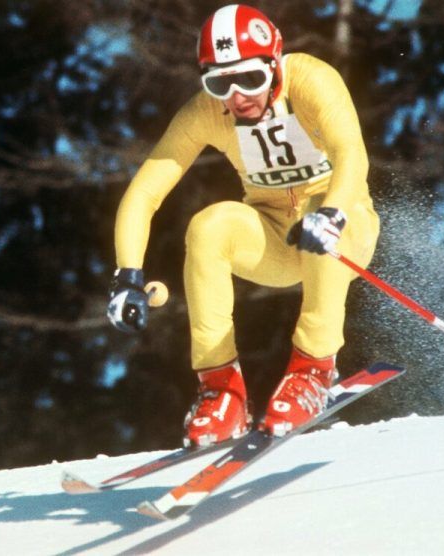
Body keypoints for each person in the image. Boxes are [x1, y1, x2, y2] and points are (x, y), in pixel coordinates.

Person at [107, 4, 379, 446]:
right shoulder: (205, 113)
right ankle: (222, 392)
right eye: (219, 84)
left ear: (274, 63)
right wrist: (127, 275)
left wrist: (332, 213)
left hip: (342, 228)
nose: (237, 96)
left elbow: (352, 153)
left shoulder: (310, 79)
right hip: (272, 238)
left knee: (316, 208)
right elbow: (144, 192)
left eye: (250, 79)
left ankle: (313, 370)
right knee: (210, 225)